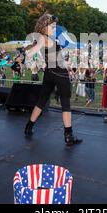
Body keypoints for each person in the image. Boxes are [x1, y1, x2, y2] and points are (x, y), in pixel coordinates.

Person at [23, 13, 82, 146]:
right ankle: (68, 136)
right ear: (44, 27)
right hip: (59, 74)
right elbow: (32, 52)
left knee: (41, 101)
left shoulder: (42, 38)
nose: (55, 29)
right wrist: (30, 56)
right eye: (53, 26)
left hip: (49, 73)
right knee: (65, 104)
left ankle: (29, 126)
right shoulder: (44, 39)